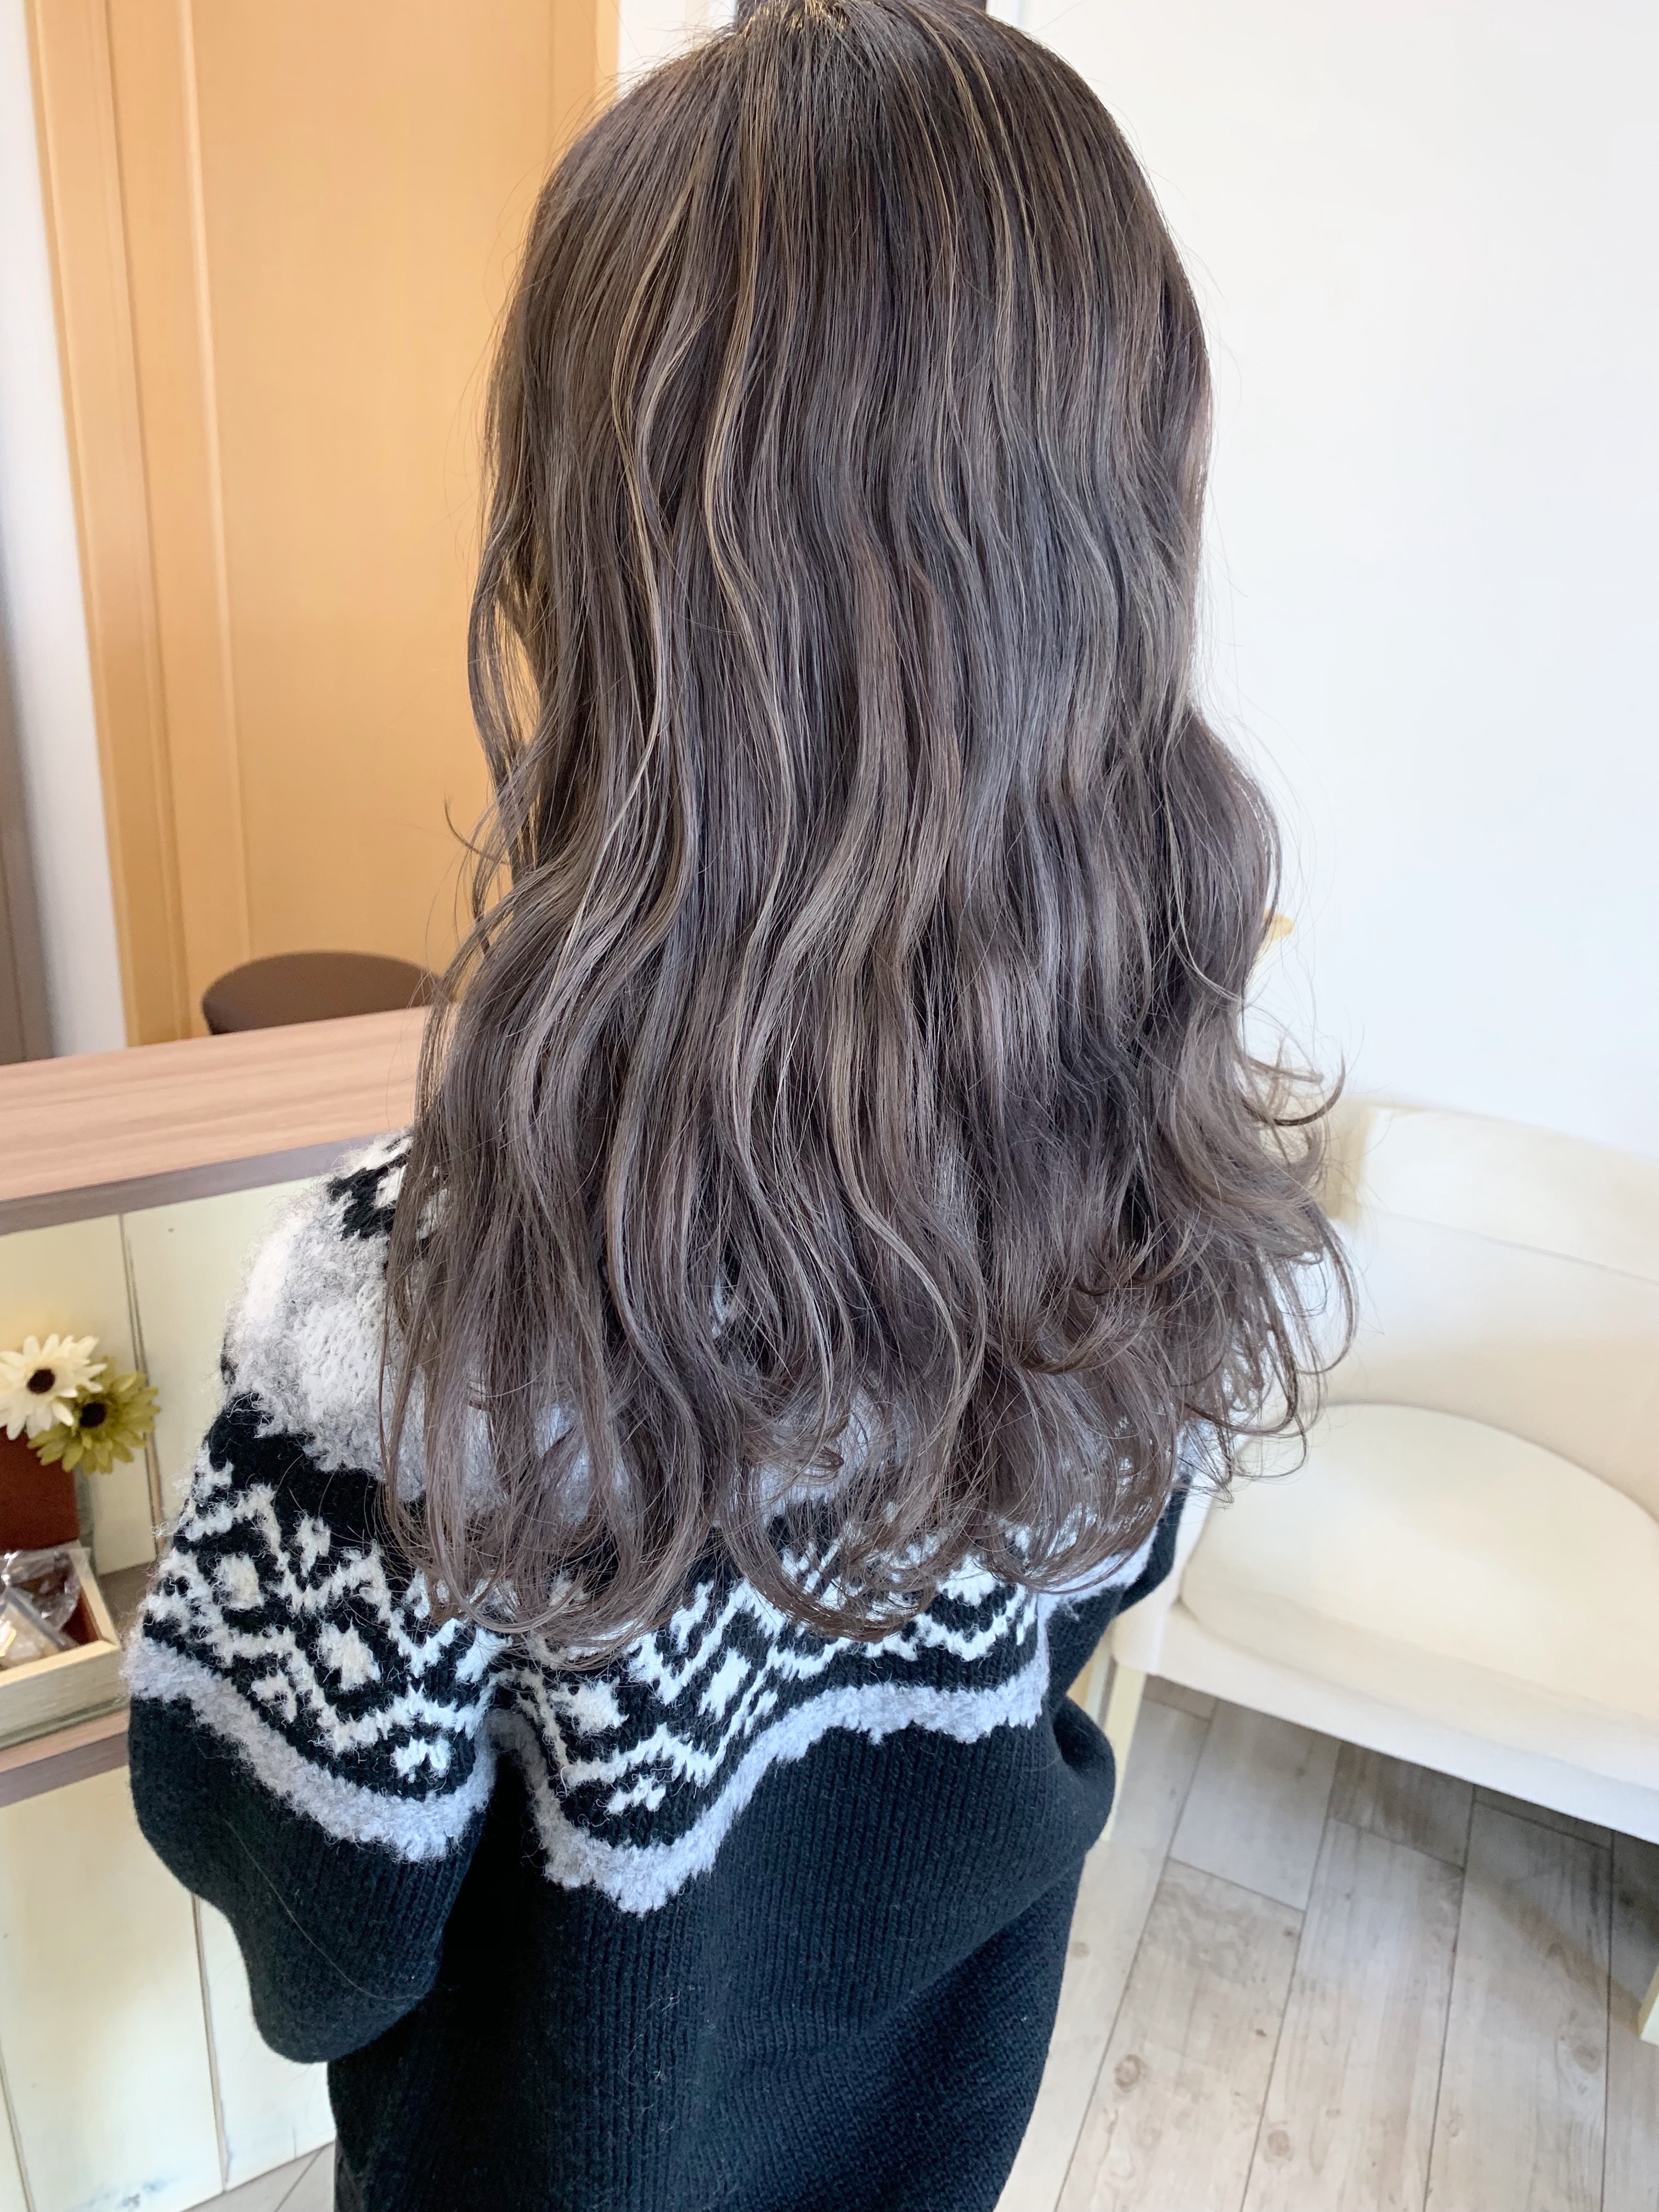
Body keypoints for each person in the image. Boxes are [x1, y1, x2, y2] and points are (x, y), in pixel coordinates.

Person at [126, 3, 1345, 2205]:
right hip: (931, 2147)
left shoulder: (413, 1314)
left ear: (591, 560)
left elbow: (319, 1929)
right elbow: (1079, 1616)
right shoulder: (1145, 1167)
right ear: (1114, 529)